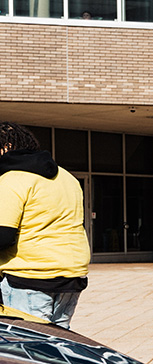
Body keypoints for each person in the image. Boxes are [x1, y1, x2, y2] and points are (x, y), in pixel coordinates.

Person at [0, 122, 90, 329]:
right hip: (71, 274)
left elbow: (3, 234)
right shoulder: (66, 177)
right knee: (57, 345)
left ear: (7, 147)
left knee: (25, 347)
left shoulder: (12, 179)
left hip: (29, 276)